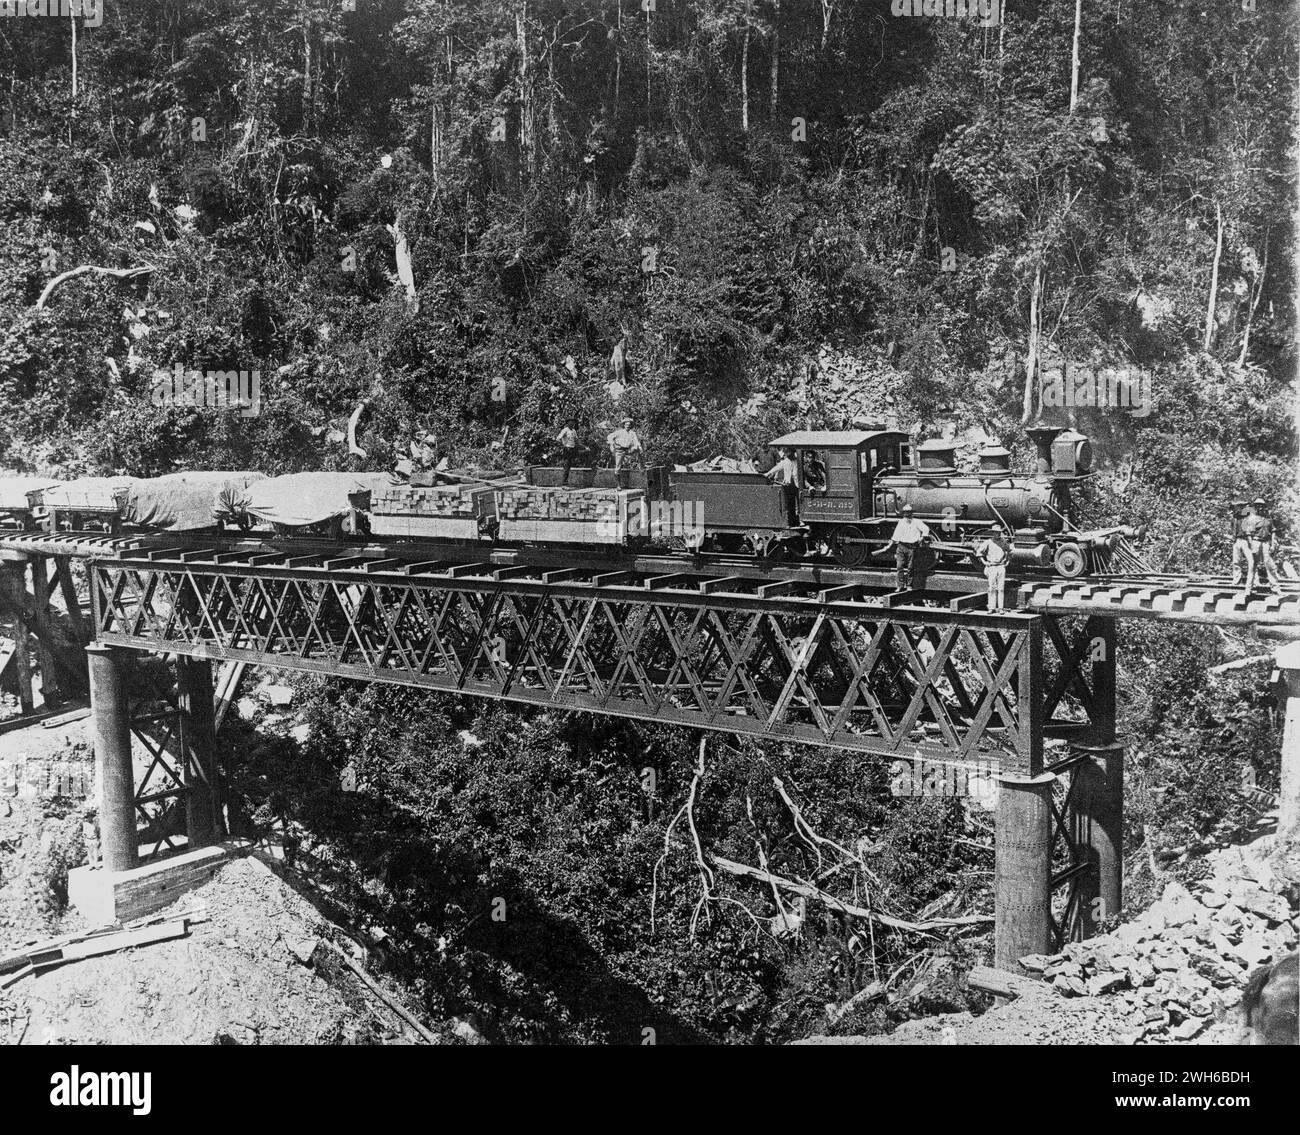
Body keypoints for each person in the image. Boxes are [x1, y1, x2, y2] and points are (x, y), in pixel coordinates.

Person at [882, 505, 932, 591]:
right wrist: (888, 546)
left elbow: (926, 529)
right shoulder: (901, 522)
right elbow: (895, 536)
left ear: (911, 514)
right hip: (901, 546)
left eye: (909, 513)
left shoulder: (917, 522)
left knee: (910, 567)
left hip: (911, 547)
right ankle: (900, 586)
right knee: (899, 567)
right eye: (905, 513)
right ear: (903, 514)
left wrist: (922, 537)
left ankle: (909, 585)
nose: (907, 515)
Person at [1241, 498, 1282, 594]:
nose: (1260, 507)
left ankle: (1275, 588)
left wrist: (1272, 544)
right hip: (1256, 542)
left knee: (1270, 566)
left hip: (1266, 543)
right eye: (1257, 505)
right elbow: (1249, 534)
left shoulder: (1268, 519)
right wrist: (1251, 546)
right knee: (1252, 566)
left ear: (1264, 507)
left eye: (1261, 505)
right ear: (1255, 507)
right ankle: (1248, 588)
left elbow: (1273, 532)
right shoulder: (1252, 519)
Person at [974, 531, 1009, 612]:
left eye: (999, 532)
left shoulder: (1003, 542)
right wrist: (984, 562)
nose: (999, 534)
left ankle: (1001, 608)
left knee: (1001, 588)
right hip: (992, 567)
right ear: (993, 533)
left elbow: (1010, 551)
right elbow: (979, 552)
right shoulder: (988, 542)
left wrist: (1007, 561)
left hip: (1000, 566)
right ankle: (991, 608)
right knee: (991, 588)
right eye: (997, 533)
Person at [607, 416, 642, 484]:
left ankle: (642, 468)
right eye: (626, 425)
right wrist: (612, 444)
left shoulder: (632, 433)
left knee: (637, 449)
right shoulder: (619, 432)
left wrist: (639, 447)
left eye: (629, 425)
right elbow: (609, 436)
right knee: (618, 467)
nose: (628, 426)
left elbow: (636, 441)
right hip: (619, 450)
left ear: (631, 425)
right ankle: (618, 484)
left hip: (628, 450)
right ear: (624, 425)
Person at [555, 417, 580, 484]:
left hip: (573, 448)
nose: (572, 423)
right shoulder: (565, 430)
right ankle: (564, 482)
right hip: (567, 449)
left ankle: (566, 480)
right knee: (567, 465)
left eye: (573, 421)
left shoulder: (574, 431)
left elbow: (576, 440)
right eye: (570, 421)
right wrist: (563, 445)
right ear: (567, 423)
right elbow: (558, 439)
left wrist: (584, 447)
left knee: (573, 462)